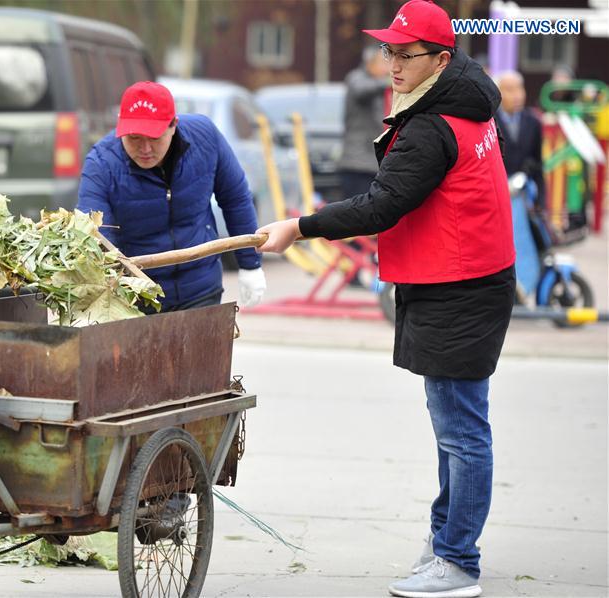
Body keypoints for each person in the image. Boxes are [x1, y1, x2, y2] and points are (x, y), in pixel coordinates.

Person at [257, 2, 515, 597]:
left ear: (441, 59)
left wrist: (300, 225)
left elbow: (381, 204)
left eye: (406, 54)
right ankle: (447, 539)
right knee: (454, 423)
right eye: (389, 52)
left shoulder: (434, 123)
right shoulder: (459, 102)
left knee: (461, 429)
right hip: (462, 276)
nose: (392, 65)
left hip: (461, 286)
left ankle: (457, 561)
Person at [77, 81, 266, 311]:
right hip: (139, 297)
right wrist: (114, 288)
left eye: (155, 138)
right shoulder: (102, 164)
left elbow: (235, 197)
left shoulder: (205, 138)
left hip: (201, 287)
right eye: (135, 138)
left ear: (173, 125)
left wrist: (250, 264)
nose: (145, 149)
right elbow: (97, 234)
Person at [339, 45, 391, 200]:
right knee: (356, 214)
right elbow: (362, 90)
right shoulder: (357, 78)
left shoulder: (380, 86)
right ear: (370, 63)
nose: (388, 68)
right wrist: (391, 80)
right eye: (384, 62)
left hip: (375, 163)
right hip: (358, 163)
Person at [494, 70, 544, 207]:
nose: (517, 95)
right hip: (497, 192)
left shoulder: (533, 122)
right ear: (498, 93)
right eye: (510, 90)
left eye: (520, 88)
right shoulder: (490, 121)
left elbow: (538, 163)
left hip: (524, 191)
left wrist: (541, 202)